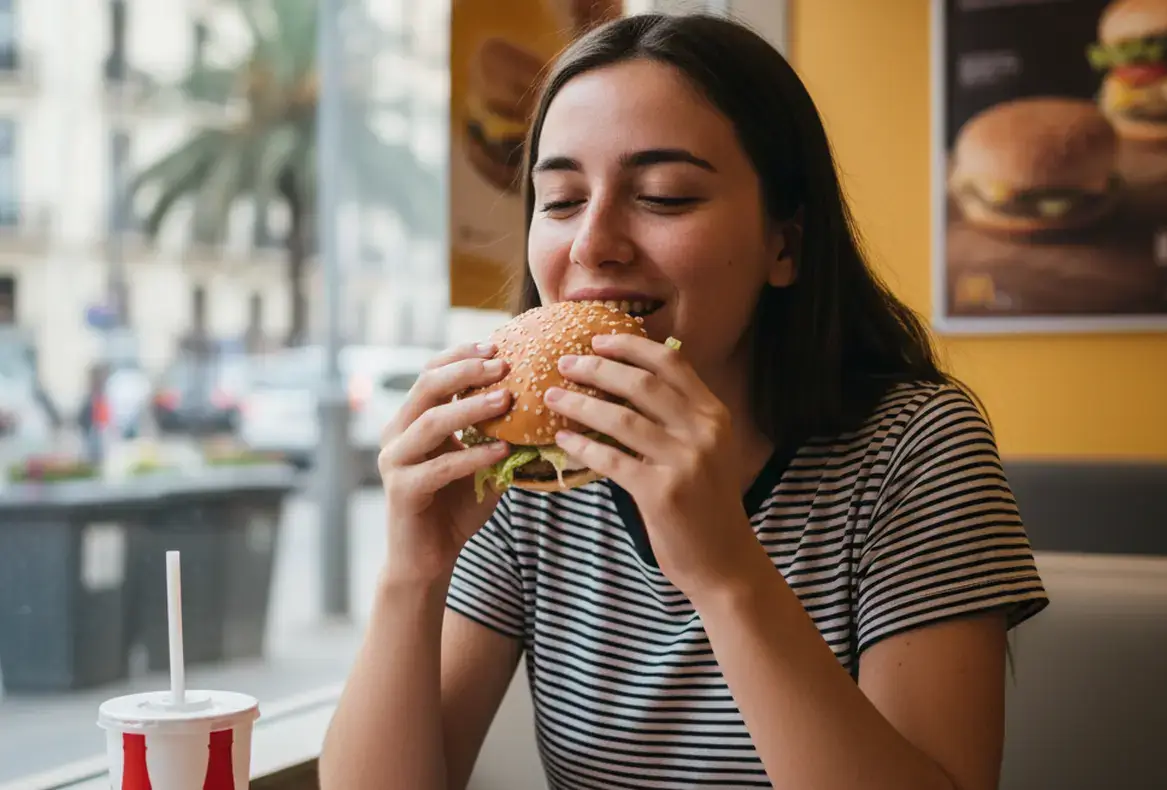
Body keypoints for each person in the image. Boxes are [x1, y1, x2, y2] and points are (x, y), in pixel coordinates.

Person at [321, 13, 1049, 790]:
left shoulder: (916, 445)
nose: (590, 243)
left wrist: (724, 571)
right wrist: (413, 573)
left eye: (664, 196)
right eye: (561, 200)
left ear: (785, 246)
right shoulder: (531, 476)